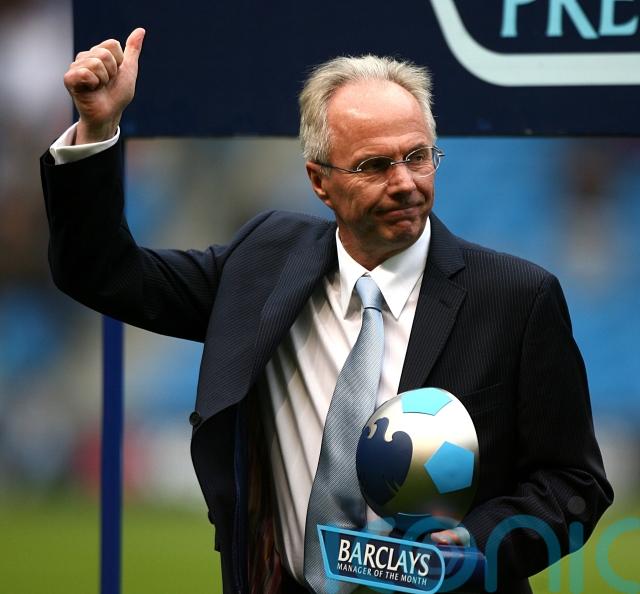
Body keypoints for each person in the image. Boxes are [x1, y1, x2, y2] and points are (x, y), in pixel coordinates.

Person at [41, 28, 613, 594]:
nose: (405, 183)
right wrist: (97, 129)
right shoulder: (264, 261)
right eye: (374, 165)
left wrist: (477, 545)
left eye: (418, 157)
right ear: (319, 181)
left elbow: (574, 483)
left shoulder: (517, 297)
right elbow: (104, 273)